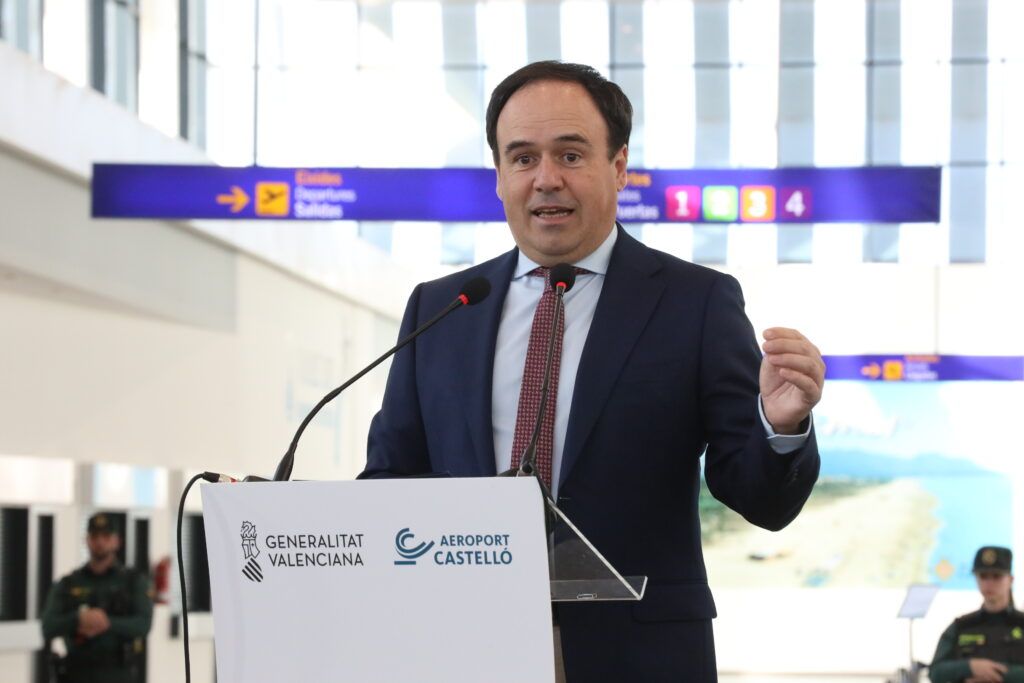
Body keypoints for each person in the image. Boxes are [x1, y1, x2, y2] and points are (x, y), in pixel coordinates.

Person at [360, 61, 823, 681]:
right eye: (523, 158)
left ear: (619, 166)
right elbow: (390, 481)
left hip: (640, 655)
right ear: (499, 176)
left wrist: (779, 426)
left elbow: (759, 498)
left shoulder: (695, 303)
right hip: (466, 648)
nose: (546, 179)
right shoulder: (442, 308)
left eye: (570, 155)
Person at [40, 512, 153, 683]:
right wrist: (79, 619)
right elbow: (48, 626)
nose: (100, 542)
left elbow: (143, 624)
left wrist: (108, 623)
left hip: (118, 673)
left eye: (106, 536)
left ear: (117, 541)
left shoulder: (133, 582)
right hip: (77, 673)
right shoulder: (69, 583)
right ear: (87, 540)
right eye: (94, 536)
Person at [930, 546, 1024, 683]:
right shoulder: (961, 626)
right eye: (983, 576)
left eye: (996, 576)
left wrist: (998, 675)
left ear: (1010, 580)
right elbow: (935, 672)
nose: (989, 583)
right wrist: (969, 667)